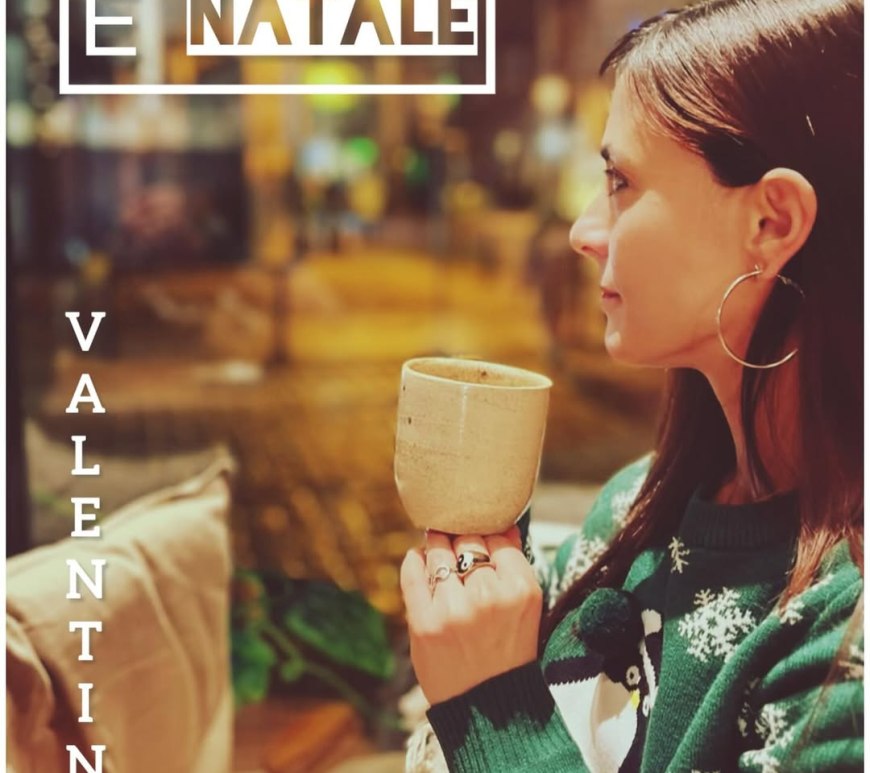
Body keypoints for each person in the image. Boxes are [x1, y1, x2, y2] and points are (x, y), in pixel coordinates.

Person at [399, 0, 864, 770]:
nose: (584, 231)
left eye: (619, 181)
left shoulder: (845, 639)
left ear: (771, 223)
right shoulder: (630, 506)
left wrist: (493, 706)